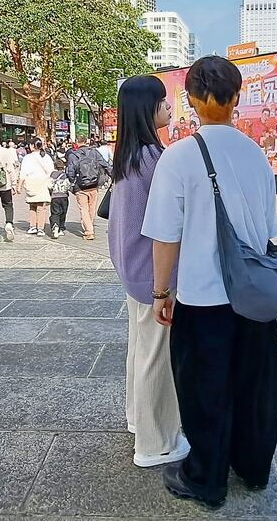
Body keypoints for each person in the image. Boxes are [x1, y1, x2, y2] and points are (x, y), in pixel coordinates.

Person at [142, 56, 277, 509]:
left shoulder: (180, 156)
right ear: (237, 98)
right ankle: (252, 467)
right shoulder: (256, 154)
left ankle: (205, 479)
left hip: (203, 299)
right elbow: (266, 231)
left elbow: (166, 236)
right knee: (252, 385)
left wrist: (162, 292)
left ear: (192, 100)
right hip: (253, 297)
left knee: (204, 391)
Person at [109, 75, 190, 469]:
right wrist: (164, 288)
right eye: (163, 101)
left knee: (142, 353)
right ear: (148, 109)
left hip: (133, 271)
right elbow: (167, 227)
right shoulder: (154, 159)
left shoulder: (128, 155)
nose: (170, 106)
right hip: (155, 276)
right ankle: (155, 443)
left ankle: (138, 422)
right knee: (158, 360)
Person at [67, 135, 111, 241]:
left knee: (84, 209)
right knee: (91, 208)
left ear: (77, 143)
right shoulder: (94, 152)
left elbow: (71, 171)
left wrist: (72, 181)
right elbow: (105, 165)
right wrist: (113, 177)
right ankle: (89, 226)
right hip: (94, 185)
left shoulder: (73, 155)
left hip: (80, 186)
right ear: (86, 141)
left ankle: (89, 231)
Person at [19, 140, 54, 236]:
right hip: (43, 183)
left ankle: (33, 226)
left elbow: (23, 173)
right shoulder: (46, 157)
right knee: (41, 207)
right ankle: (40, 228)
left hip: (31, 183)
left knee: (32, 206)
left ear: (32, 146)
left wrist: (19, 186)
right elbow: (51, 172)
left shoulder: (27, 158)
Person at [48, 158, 71, 239]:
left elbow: (49, 185)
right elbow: (68, 185)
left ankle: (55, 225)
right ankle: (61, 227)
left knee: (55, 212)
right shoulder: (65, 175)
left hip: (55, 197)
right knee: (63, 212)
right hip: (64, 196)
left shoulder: (52, 174)